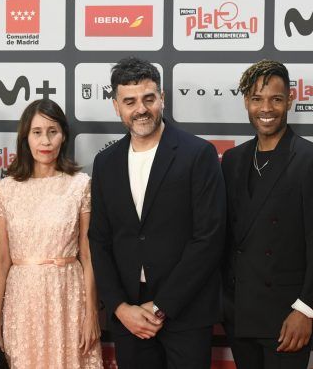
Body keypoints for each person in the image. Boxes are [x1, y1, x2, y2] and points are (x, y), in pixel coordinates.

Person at [89, 56, 226, 368]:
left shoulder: (198, 154)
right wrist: (120, 307)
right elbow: (99, 239)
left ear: (162, 99)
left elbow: (209, 237)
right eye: (130, 101)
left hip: (186, 310)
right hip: (129, 316)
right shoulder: (106, 162)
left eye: (148, 98)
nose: (140, 109)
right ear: (116, 106)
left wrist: (162, 305)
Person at [221, 60, 313, 368]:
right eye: (257, 99)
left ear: (290, 100)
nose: (267, 108)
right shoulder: (233, 160)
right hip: (239, 313)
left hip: (287, 317)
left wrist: (305, 310)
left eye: (276, 98)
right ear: (246, 102)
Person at [0, 99, 103, 368]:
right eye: (37, 132)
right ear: (25, 138)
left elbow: (88, 255)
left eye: (52, 131)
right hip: (22, 300)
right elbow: (1, 262)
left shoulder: (81, 185)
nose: (45, 141)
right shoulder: (6, 189)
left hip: (68, 299)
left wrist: (91, 314)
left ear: (63, 136)